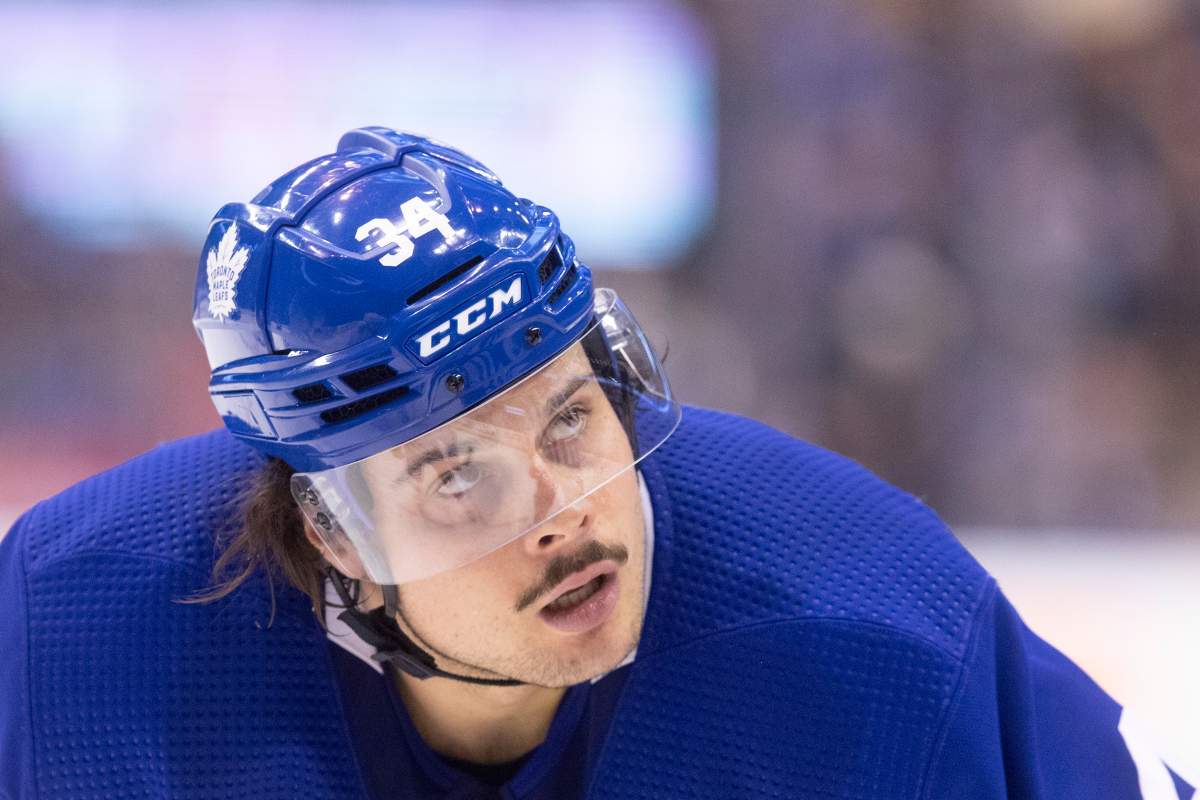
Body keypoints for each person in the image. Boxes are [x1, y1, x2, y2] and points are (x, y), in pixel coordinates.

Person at [0, 127, 1192, 800]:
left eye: (569, 417)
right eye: (456, 473)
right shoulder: (66, 630)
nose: (565, 510)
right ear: (330, 533)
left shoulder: (873, 627)